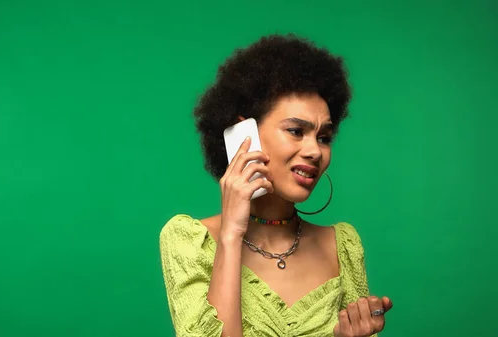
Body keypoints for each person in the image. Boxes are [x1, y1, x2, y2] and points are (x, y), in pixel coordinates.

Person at [159, 34, 393, 337]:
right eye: (296, 131)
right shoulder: (189, 242)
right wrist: (231, 234)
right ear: (246, 134)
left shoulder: (343, 246)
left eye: (324, 138)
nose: (314, 151)